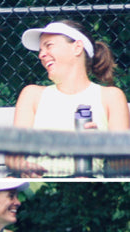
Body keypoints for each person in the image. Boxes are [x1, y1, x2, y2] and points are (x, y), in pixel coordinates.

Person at [11, 20, 129, 177]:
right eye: (40, 50)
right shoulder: (31, 95)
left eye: (49, 45)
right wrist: (22, 167)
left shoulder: (111, 97)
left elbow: (123, 163)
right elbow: (12, 155)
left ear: (77, 47)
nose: (41, 55)